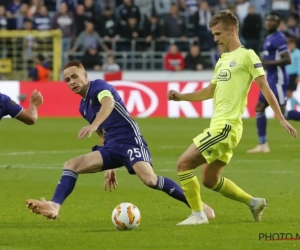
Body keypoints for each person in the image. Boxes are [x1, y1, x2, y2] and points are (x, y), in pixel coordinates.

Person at [25, 61, 215, 220]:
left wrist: (93, 125)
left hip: (129, 139)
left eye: (75, 76)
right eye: (67, 80)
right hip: (111, 146)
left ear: (85, 75)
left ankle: (200, 206)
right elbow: (101, 134)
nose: (72, 82)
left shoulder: (98, 86)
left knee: (150, 180)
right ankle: (54, 205)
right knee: (71, 164)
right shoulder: (83, 107)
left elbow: (109, 103)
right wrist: (110, 167)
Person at [167, 10, 297, 226]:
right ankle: (254, 202)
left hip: (225, 128)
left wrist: (280, 117)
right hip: (222, 127)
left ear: (232, 30)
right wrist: (180, 97)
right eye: (213, 35)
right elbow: (209, 91)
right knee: (209, 180)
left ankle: (198, 215)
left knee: (183, 164)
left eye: (218, 34)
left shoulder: (247, 55)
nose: (215, 39)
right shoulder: (223, 60)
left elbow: (264, 86)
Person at [247, 12, 300, 153]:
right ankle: (263, 144)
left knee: (283, 113)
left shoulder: (279, 38)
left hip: (278, 79)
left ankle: (263, 144)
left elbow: (287, 59)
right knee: (259, 108)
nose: (269, 23)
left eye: (273, 21)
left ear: (278, 24)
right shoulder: (269, 38)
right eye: (268, 20)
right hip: (269, 78)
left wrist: (268, 62)